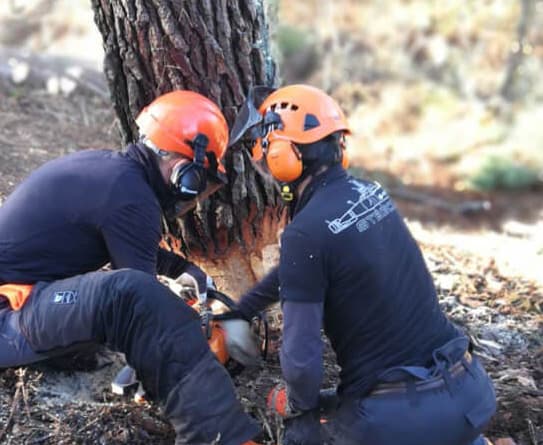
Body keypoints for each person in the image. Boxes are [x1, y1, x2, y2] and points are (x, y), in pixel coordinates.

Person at [227, 84, 497, 445]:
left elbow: (302, 365)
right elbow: (301, 270)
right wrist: (243, 308)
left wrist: (292, 401)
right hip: (469, 394)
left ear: (282, 155)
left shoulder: (305, 235)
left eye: (262, 153)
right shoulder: (372, 195)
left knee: (302, 427)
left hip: (398, 420)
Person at [0, 90, 260, 444]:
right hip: (10, 316)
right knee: (133, 298)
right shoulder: (133, 199)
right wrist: (197, 327)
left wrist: (181, 267)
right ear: (185, 173)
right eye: (199, 183)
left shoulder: (113, 174)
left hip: (21, 302)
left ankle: (67, 354)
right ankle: (225, 437)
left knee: (123, 296)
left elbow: (125, 241)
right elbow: (141, 302)